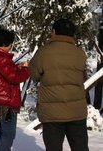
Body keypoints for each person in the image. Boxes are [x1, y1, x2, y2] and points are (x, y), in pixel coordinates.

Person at [29, 18, 88, 151]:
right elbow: (83, 77)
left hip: (52, 113)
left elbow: (34, 75)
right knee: (80, 147)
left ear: (53, 31)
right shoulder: (80, 53)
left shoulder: (43, 52)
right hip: (76, 110)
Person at [0, 29, 30, 151]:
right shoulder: (2, 57)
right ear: (5, 44)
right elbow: (14, 77)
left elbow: (5, 72)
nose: (11, 47)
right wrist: (26, 69)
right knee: (8, 134)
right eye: (10, 44)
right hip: (5, 102)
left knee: (4, 132)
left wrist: (17, 67)